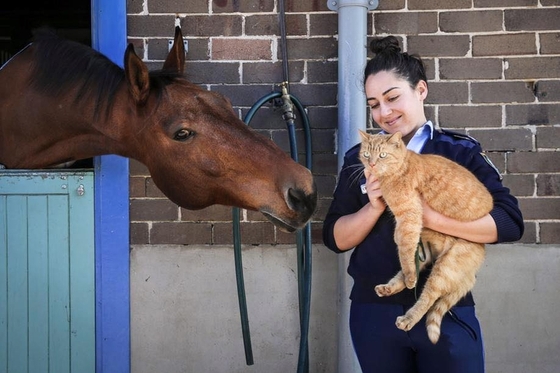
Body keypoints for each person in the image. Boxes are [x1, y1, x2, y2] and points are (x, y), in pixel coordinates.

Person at [322, 36, 524, 373]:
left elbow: (508, 223)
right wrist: (373, 207)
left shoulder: (459, 152)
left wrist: (431, 217)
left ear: (421, 90)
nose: (384, 113)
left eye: (392, 97)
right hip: (374, 312)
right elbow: (335, 238)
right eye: (373, 104)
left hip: (446, 309)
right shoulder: (360, 160)